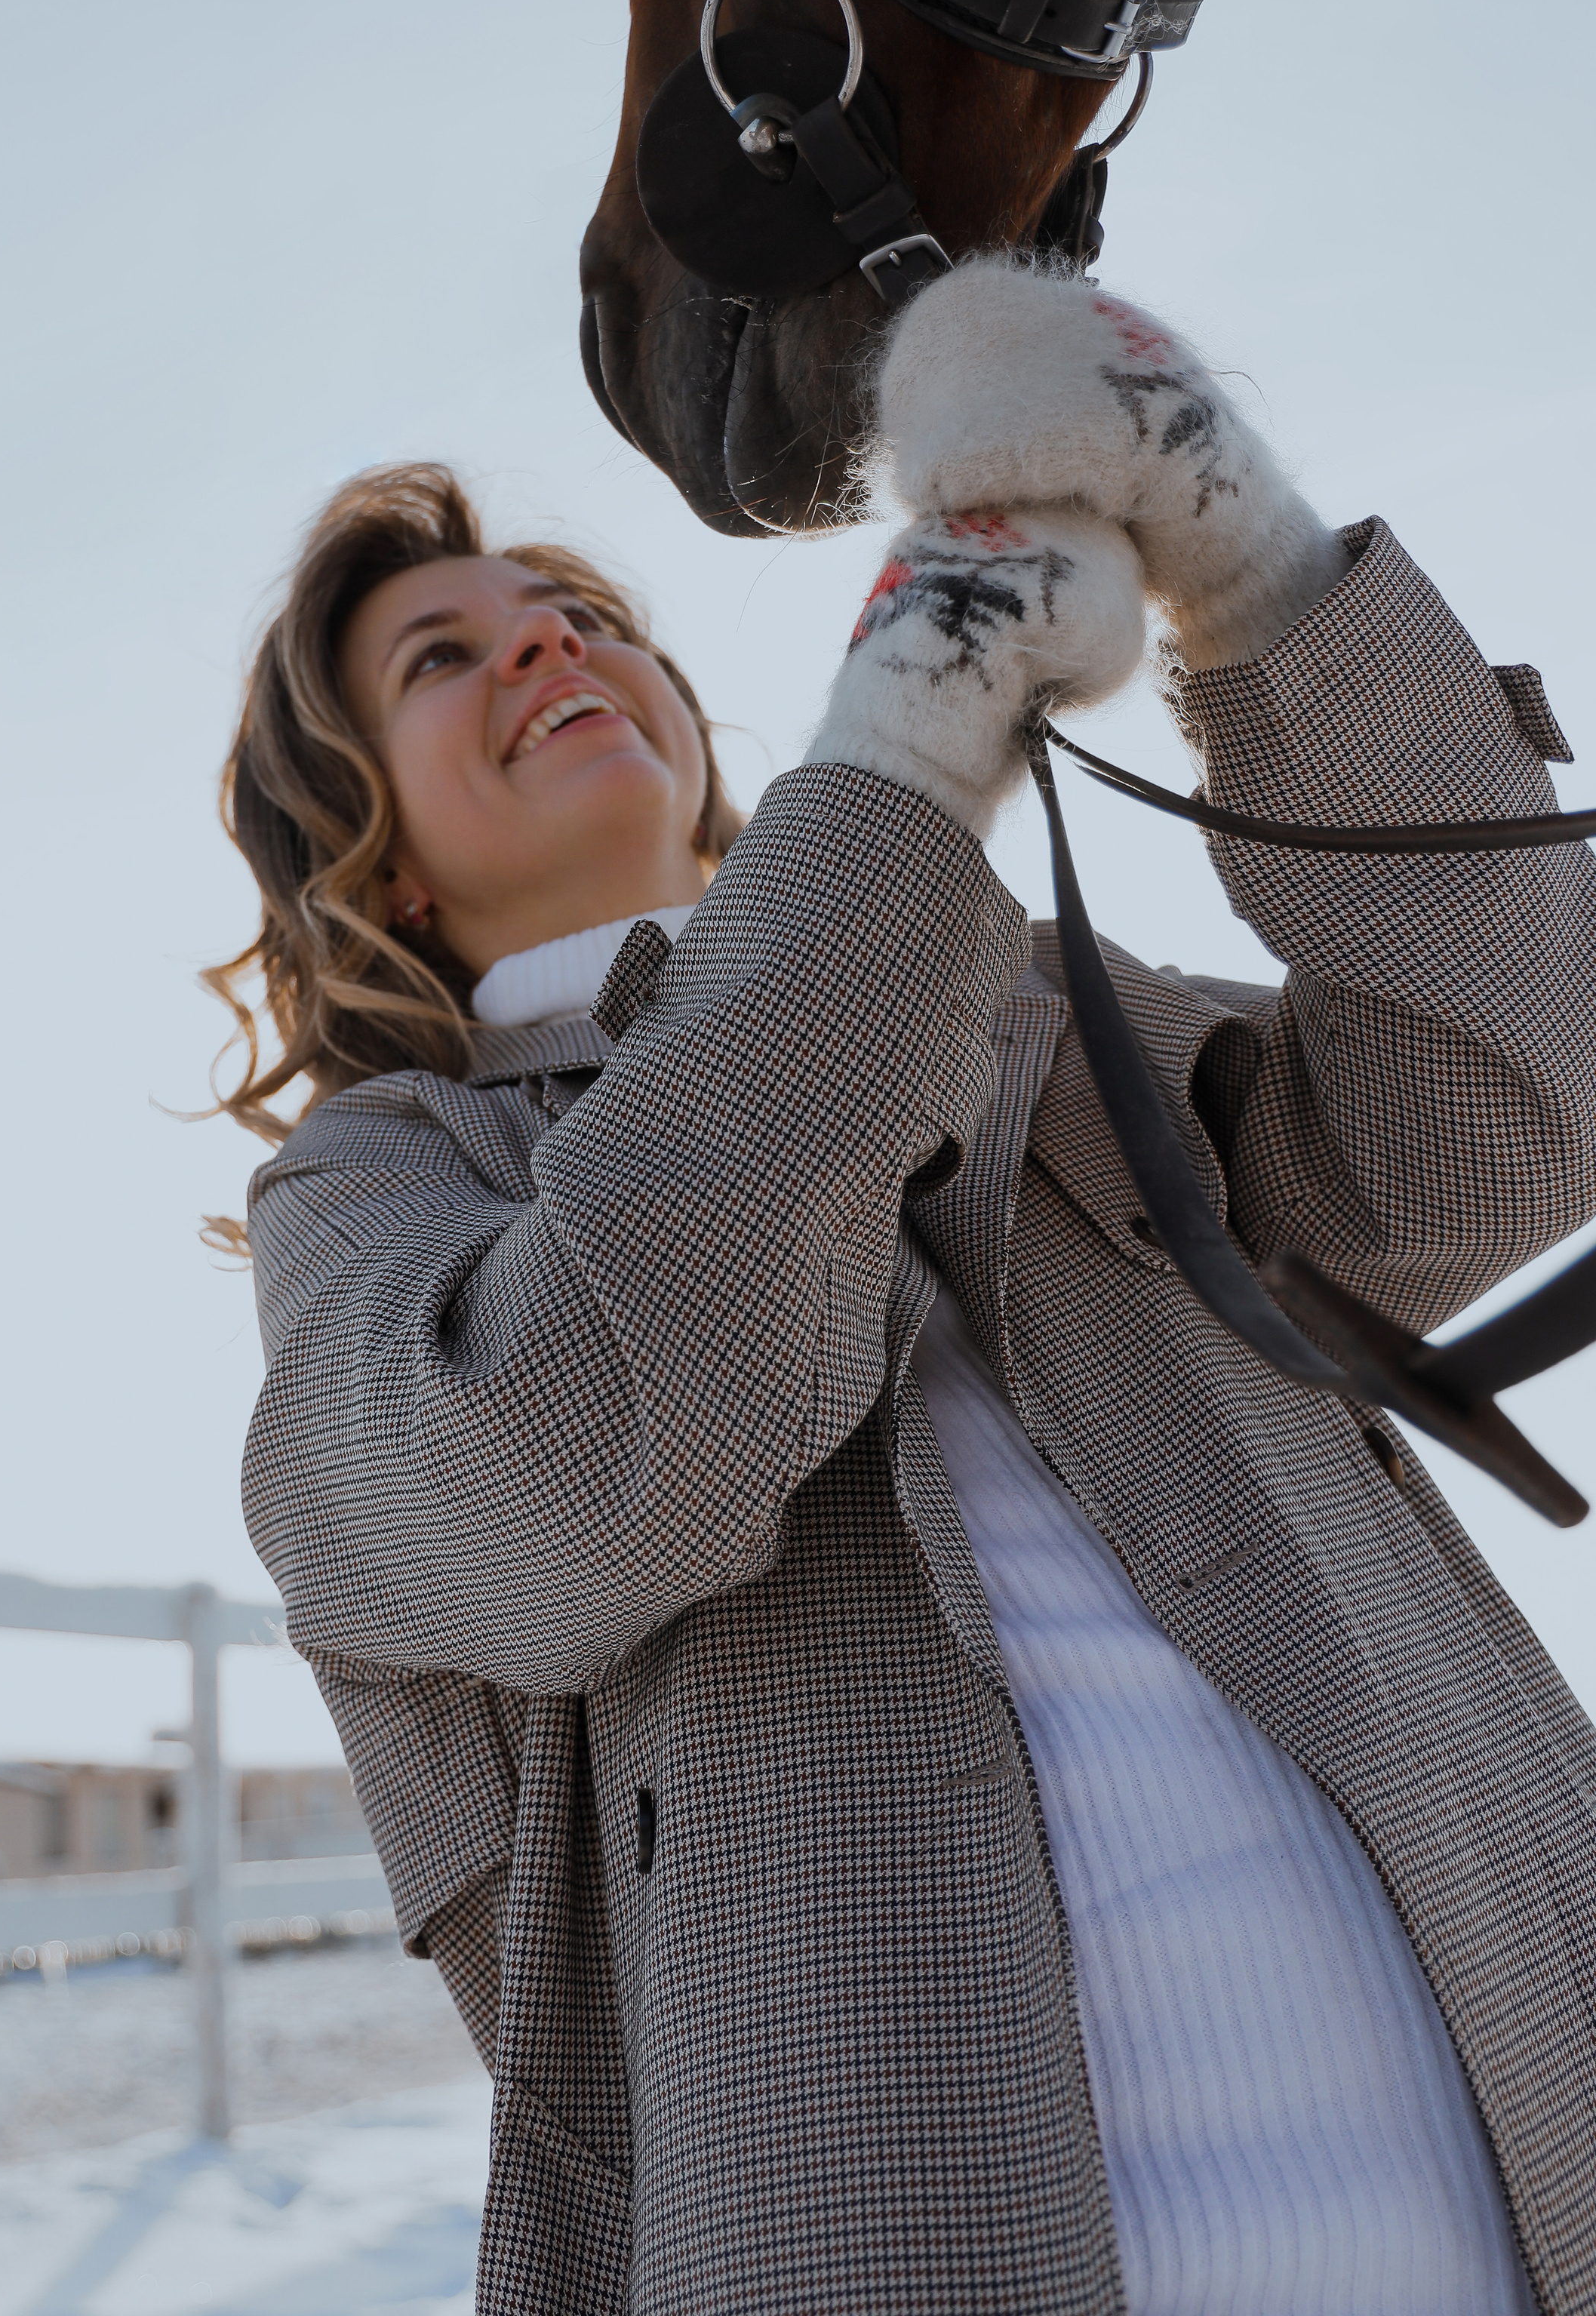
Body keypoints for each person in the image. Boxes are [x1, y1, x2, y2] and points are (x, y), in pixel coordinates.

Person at [209, 260, 1596, 2316]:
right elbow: (587, 1471)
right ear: (381, 859)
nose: (551, 650)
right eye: (446, 655)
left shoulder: (1025, 1005)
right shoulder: (378, 1195)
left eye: (587, 619)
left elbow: (1502, 1113)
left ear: (686, 738)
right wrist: (912, 746)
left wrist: (1258, 569)